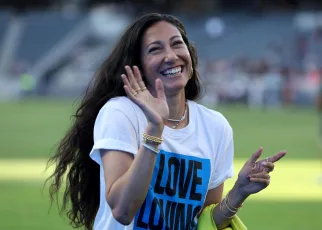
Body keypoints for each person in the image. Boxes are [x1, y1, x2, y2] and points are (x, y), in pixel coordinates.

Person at [46, 13, 286, 230]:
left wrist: (238, 193)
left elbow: (203, 222)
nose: (171, 56)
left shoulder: (216, 126)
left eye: (177, 44)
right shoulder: (121, 113)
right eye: (155, 49)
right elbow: (122, 210)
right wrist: (154, 127)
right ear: (137, 67)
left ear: (190, 57)